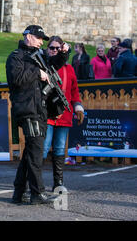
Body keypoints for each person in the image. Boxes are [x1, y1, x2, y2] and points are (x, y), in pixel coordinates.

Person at [6, 25, 69, 205]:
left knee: (30, 152)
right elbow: (16, 79)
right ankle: (37, 192)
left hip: (39, 108)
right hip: (27, 109)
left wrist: (64, 53)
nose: (42, 42)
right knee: (35, 152)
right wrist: (37, 73)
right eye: (39, 38)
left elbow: (54, 64)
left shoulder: (40, 55)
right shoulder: (15, 57)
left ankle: (19, 192)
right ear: (28, 37)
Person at [43, 36, 84, 192]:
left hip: (64, 115)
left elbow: (75, 92)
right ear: (47, 49)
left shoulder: (69, 69)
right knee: (43, 149)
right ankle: (35, 182)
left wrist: (78, 108)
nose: (54, 51)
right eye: (51, 48)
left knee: (60, 149)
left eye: (57, 48)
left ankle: (58, 182)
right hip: (47, 114)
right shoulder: (44, 66)